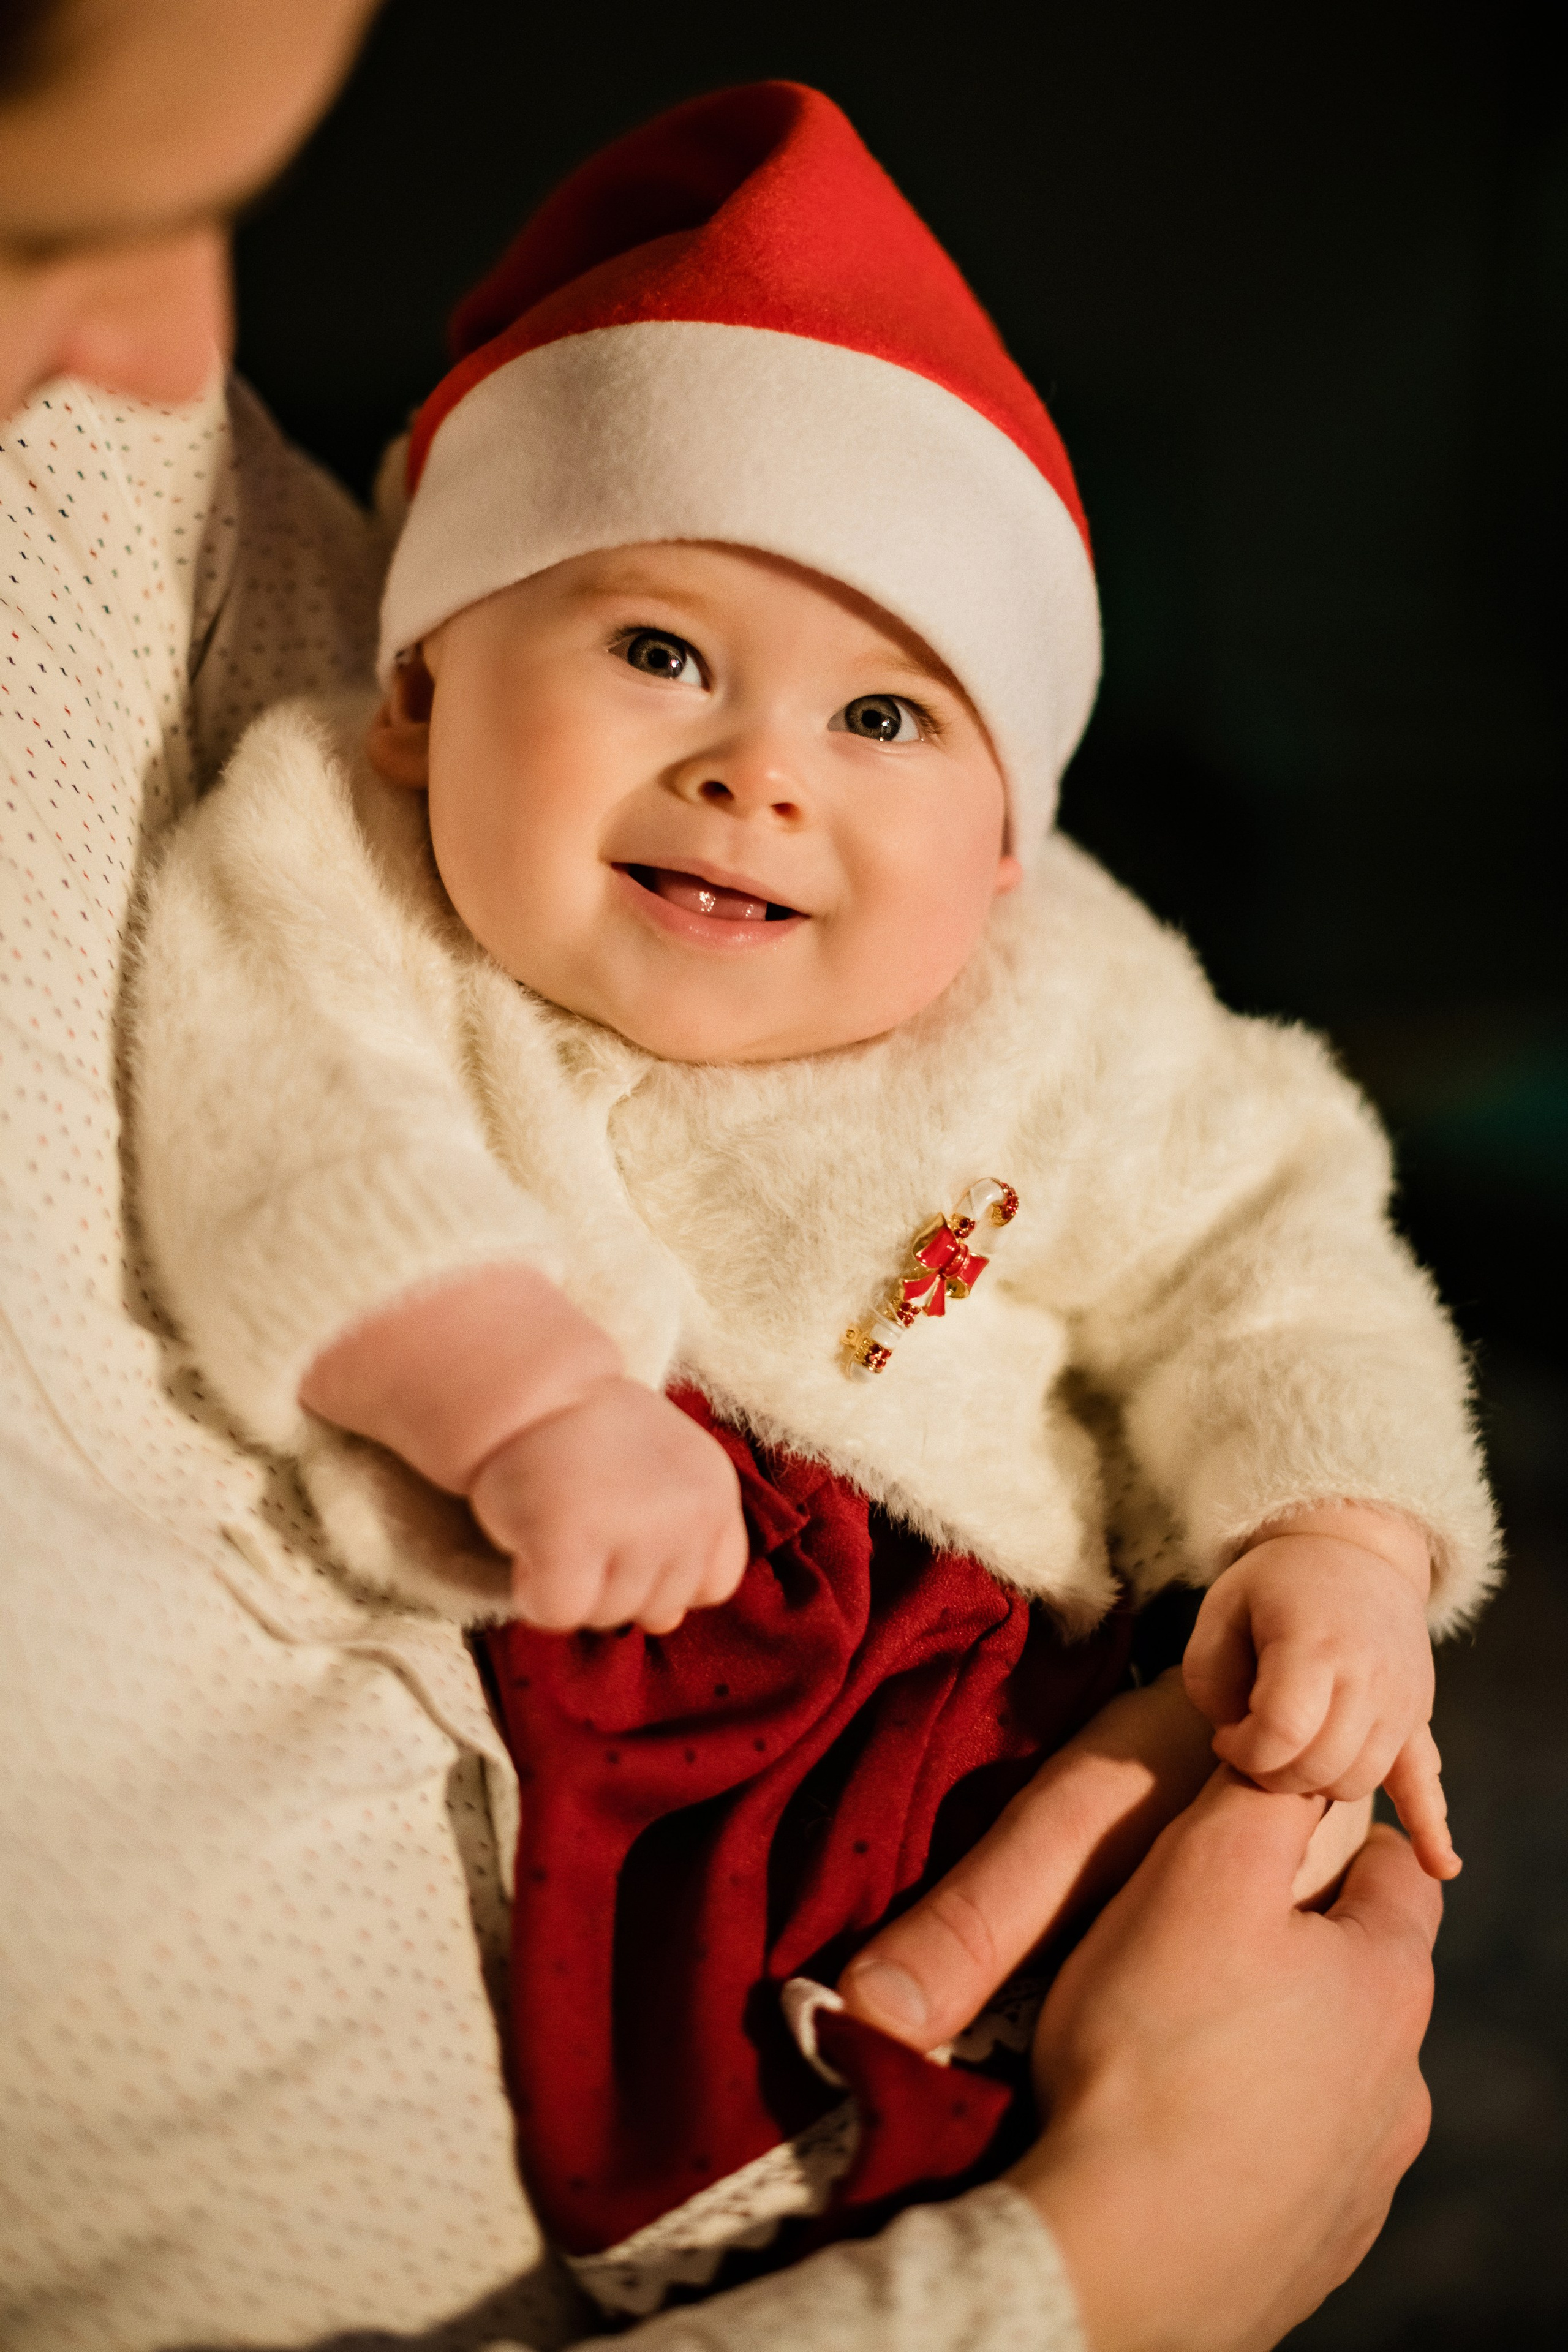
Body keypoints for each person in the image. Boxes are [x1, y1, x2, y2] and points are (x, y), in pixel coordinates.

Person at [0, 6, 1449, 2348]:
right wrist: (513, 1394)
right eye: (659, 650)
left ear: (1002, 850)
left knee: (1210, 1824)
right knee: (707, 2008)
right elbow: (294, 1144)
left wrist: (1338, 1534)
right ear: (421, 699)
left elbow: (1274, 1249)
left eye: (885, 719)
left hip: (1016, 1608)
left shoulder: (1074, 992)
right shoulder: (329, 859)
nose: (761, 775)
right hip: (671, 1627)